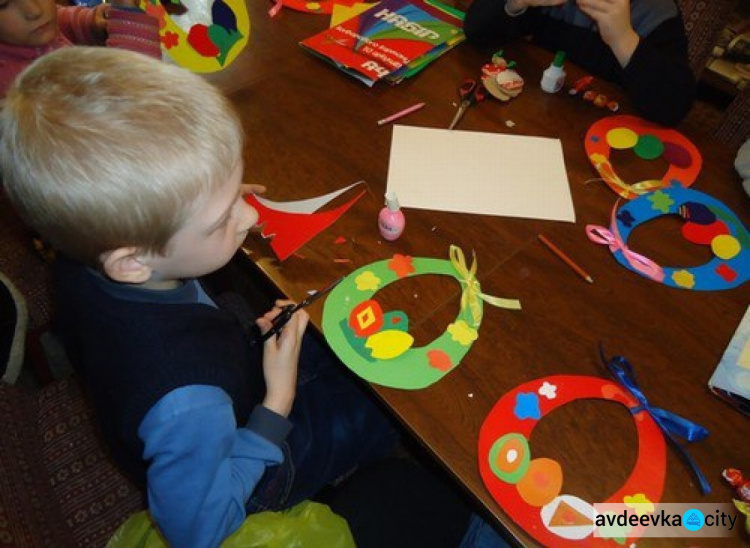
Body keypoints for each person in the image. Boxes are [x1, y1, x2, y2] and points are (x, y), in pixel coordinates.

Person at [0, 46, 400, 547]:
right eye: (223, 218)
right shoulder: (186, 405)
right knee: (389, 408)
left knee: (345, 339)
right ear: (132, 261)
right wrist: (277, 404)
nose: (251, 216)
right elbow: (198, 531)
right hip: (248, 468)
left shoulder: (79, 260)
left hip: (218, 379)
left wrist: (208, 202)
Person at [463, 0, 695, 126]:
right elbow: (477, 32)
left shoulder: (657, 13)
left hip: (606, 135)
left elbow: (672, 107)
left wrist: (623, 38)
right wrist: (515, 2)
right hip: (535, 115)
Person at [0, 0, 161, 97]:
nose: (34, 11)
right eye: (4, 5)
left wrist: (89, 23)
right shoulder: (20, 91)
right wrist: (128, 15)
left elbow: (60, 17)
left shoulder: (27, 32)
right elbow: (133, 91)